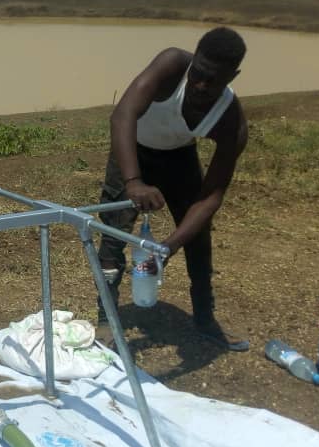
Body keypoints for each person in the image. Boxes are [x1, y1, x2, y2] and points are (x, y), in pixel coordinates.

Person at [96, 26, 250, 351]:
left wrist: (168, 247)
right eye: (199, 74)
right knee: (113, 234)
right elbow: (122, 115)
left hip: (179, 156)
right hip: (133, 151)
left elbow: (211, 196)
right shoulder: (171, 66)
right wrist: (133, 182)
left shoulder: (230, 121)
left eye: (214, 81)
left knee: (198, 237)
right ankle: (106, 320)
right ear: (194, 58)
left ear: (232, 76)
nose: (201, 85)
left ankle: (206, 320)